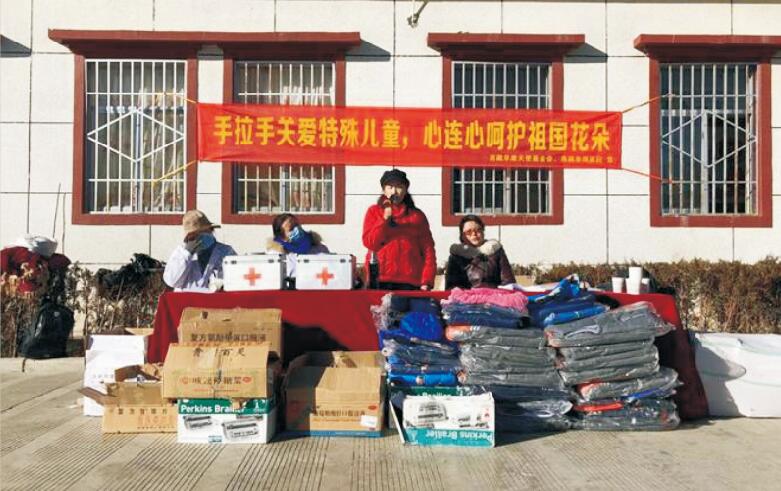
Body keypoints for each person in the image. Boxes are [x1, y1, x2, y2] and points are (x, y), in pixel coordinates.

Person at [362, 169, 436, 290]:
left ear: (406, 190)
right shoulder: (374, 211)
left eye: (399, 187)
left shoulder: (416, 216)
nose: (394, 191)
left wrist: (426, 280)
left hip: (410, 281)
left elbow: (428, 250)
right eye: (390, 187)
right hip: (380, 279)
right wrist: (384, 219)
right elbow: (370, 243)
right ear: (384, 190)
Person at [163, 210, 236, 291]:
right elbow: (171, 281)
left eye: (202, 232)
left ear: (211, 230)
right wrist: (187, 254)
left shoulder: (226, 252)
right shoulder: (180, 253)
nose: (199, 238)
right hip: (185, 298)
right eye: (194, 235)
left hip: (216, 298)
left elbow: (235, 280)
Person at [445, 214, 514, 290]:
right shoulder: (456, 255)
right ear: (462, 236)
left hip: (494, 295)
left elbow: (508, 282)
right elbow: (451, 286)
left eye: (478, 230)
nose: (474, 234)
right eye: (469, 232)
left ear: (483, 232)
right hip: (466, 296)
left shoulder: (495, 250)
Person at [266, 213, 329, 288]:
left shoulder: (319, 249)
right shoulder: (275, 255)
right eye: (291, 228)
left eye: (297, 226)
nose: (296, 230)